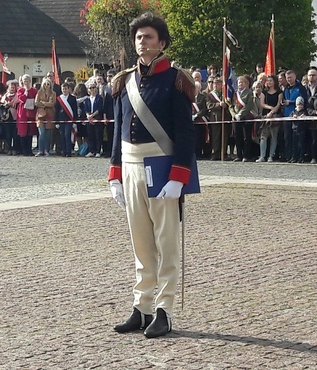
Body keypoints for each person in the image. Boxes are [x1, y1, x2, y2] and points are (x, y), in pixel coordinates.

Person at [108, 11, 196, 339]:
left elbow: (186, 134)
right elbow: (118, 131)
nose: (141, 42)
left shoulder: (175, 80)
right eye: (138, 37)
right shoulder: (124, 81)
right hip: (130, 168)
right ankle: (142, 306)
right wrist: (114, 173)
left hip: (162, 167)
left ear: (162, 43)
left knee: (166, 242)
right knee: (141, 243)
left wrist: (179, 176)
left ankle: (164, 309)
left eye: (148, 37)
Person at [228, 75, 256, 162]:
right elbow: (231, 106)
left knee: (246, 137)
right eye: (239, 82)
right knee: (237, 137)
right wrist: (234, 115)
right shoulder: (235, 93)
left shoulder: (250, 93)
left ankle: (246, 155)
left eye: (242, 82)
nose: (240, 84)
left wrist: (240, 114)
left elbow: (249, 105)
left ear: (246, 83)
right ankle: (239, 155)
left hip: (246, 117)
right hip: (236, 118)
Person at [257, 75, 282, 162]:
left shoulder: (279, 92)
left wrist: (272, 112)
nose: (269, 82)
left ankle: (271, 156)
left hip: (275, 117)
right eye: (268, 81)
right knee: (263, 137)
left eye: (271, 81)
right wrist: (270, 108)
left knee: (273, 137)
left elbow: (279, 104)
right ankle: (262, 156)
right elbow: (262, 104)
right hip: (265, 117)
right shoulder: (264, 92)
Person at [206, 77, 233, 160]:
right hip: (215, 118)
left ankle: (223, 153)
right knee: (216, 137)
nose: (215, 85)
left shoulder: (225, 95)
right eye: (214, 83)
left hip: (225, 117)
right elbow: (209, 106)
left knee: (224, 137)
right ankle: (215, 153)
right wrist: (219, 105)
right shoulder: (209, 95)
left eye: (218, 83)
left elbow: (230, 104)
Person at [16, 74, 38, 156]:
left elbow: (36, 99)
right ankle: (24, 150)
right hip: (23, 113)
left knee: (30, 132)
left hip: (32, 113)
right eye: (25, 80)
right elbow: (22, 99)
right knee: (23, 132)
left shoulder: (34, 90)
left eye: (28, 80)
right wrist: (26, 92)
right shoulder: (20, 90)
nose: (26, 82)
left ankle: (29, 150)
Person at [55, 82, 78, 157]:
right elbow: (57, 110)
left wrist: (75, 121)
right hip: (61, 120)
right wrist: (56, 122)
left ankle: (68, 152)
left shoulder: (73, 98)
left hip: (69, 119)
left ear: (68, 89)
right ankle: (64, 151)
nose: (64, 90)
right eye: (63, 89)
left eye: (65, 89)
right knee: (62, 136)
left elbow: (75, 110)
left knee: (67, 135)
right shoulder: (59, 98)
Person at [83, 81, 104, 157]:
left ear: (96, 89)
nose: (92, 89)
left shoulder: (99, 98)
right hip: (89, 119)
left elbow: (99, 109)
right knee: (90, 135)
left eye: (93, 87)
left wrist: (92, 116)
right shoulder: (87, 99)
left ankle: (98, 151)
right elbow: (86, 109)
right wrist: (88, 116)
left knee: (98, 135)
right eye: (90, 88)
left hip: (97, 117)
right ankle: (92, 150)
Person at [289, 96, 308, 163]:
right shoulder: (294, 111)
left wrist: (304, 116)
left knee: (301, 144)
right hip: (294, 130)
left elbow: (307, 118)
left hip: (302, 130)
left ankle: (301, 157)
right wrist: (293, 116)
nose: (299, 106)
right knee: (294, 144)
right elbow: (290, 116)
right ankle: (294, 157)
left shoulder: (304, 112)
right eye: (298, 104)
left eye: (301, 104)